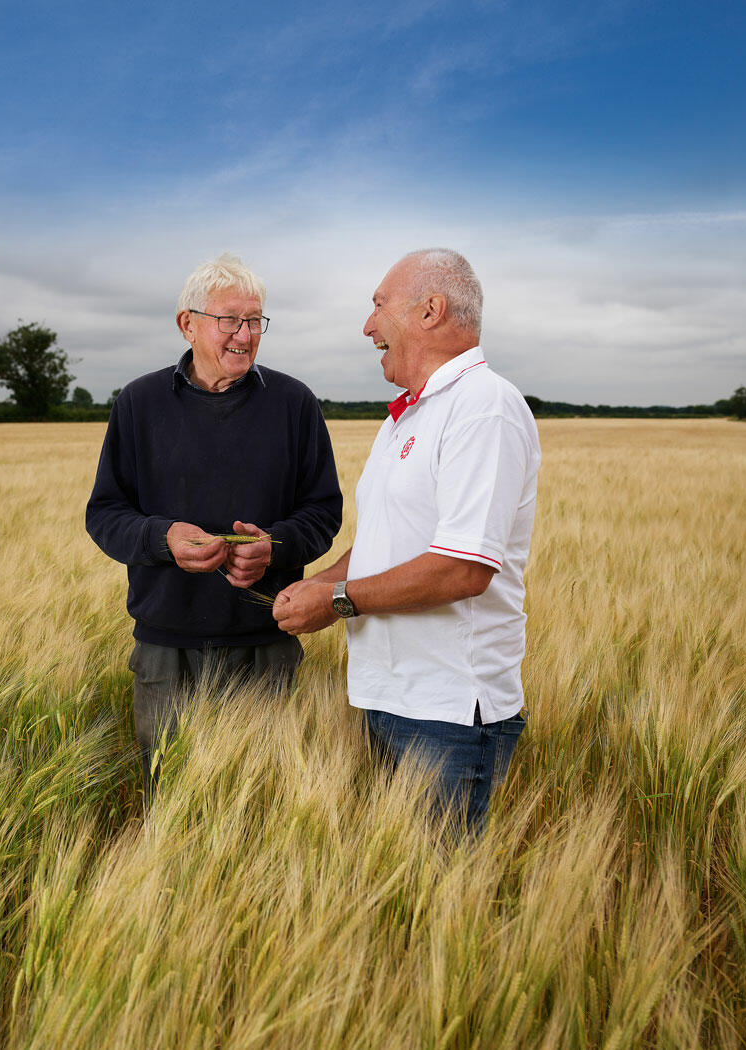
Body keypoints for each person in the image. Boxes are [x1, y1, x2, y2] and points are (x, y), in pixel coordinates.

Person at [273, 248, 540, 829]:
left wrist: (337, 602)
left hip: (447, 715)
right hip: (388, 701)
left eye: (378, 305)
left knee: (444, 906)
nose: (368, 326)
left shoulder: (483, 408)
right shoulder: (406, 418)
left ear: (431, 310)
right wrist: (309, 587)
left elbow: (463, 569)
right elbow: (380, 545)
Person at [86, 252, 342, 788]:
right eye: (230, 320)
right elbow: (105, 514)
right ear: (188, 323)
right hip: (165, 651)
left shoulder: (294, 403)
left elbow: (324, 511)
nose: (244, 335)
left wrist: (276, 547)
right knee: (169, 797)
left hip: (263, 646)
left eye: (255, 321)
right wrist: (161, 538)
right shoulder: (139, 402)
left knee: (260, 814)